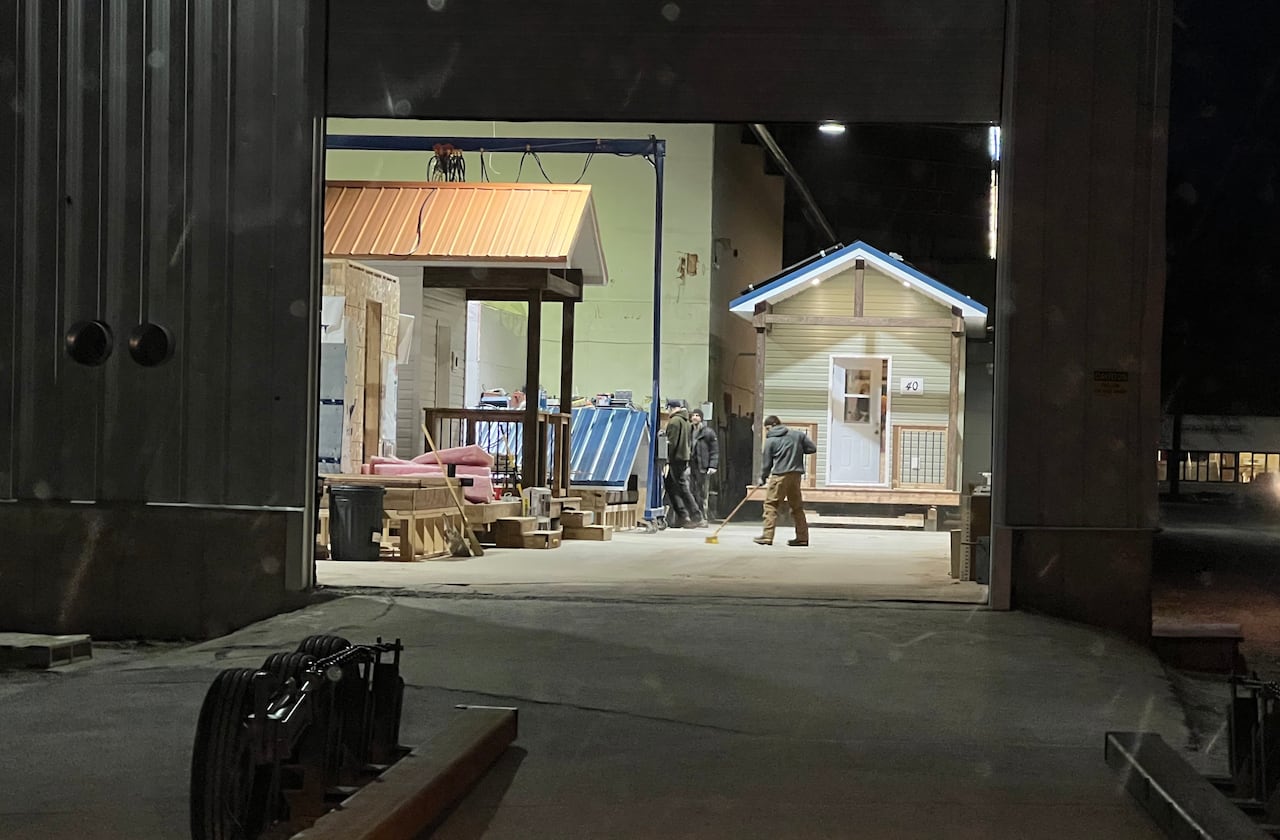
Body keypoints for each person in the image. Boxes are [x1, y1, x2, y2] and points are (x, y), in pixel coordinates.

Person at [755, 415, 817, 546]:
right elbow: (812, 448)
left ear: (771, 426)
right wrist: (798, 450)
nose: (767, 431)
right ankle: (802, 538)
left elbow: (767, 463)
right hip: (796, 475)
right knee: (797, 507)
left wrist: (763, 477)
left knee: (771, 505)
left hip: (779, 475)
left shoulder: (771, 441)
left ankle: (767, 536)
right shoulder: (798, 435)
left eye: (767, 428)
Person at [662, 399, 703, 528]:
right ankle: (683, 516)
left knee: (682, 487)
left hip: (676, 459)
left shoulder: (675, 421)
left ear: (672, 408)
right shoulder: (686, 421)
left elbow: (671, 443)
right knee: (671, 486)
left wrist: (665, 460)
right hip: (683, 458)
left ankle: (695, 516)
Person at [689, 409, 719, 527]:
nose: (695, 417)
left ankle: (703, 516)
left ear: (701, 418)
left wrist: (712, 465)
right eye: (693, 415)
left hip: (703, 466)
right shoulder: (689, 431)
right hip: (692, 466)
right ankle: (695, 516)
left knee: (702, 493)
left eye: (697, 415)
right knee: (692, 491)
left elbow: (715, 450)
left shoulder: (708, 433)